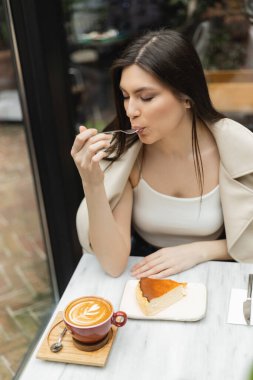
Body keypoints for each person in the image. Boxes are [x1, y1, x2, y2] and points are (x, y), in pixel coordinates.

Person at [71, 29, 253, 278]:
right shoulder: (126, 157)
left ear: (186, 97)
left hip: (218, 273)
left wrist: (200, 251)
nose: (130, 110)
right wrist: (92, 183)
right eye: (125, 96)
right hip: (143, 271)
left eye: (146, 97)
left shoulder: (237, 150)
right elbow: (113, 265)